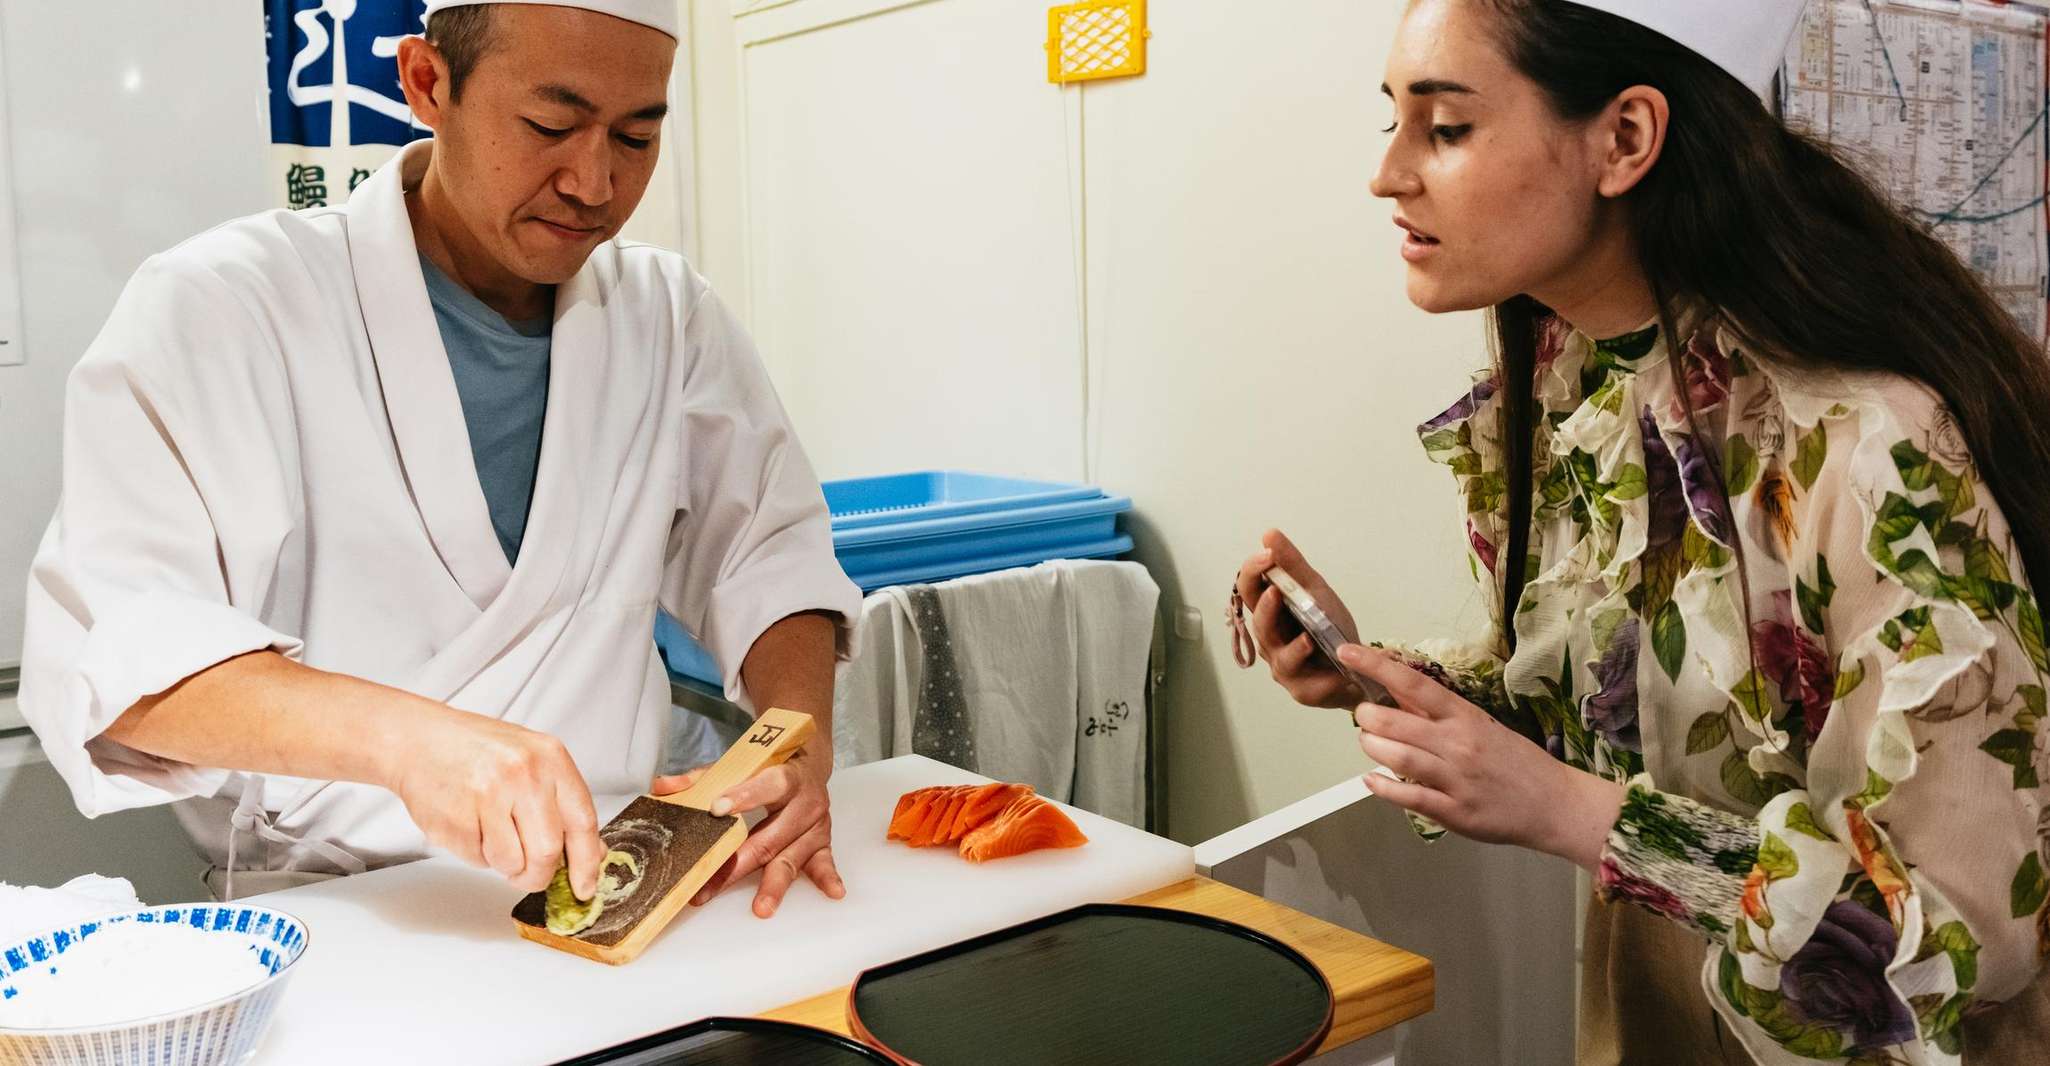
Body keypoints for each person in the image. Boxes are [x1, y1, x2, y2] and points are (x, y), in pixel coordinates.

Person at [1234, 1, 2050, 1061]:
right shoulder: (1578, 391)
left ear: (1625, 138)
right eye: (1390, 120)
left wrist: (1579, 816)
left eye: (1444, 128)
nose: (1387, 174)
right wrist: (1372, 676)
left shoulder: (1871, 446)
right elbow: (1632, 726)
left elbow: (1947, 939)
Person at [19, 0, 860, 920]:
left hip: (617, 889)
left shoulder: (668, 317)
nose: (593, 182)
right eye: (549, 126)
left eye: (635, 137)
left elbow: (770, 557)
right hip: (337, 914)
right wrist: (413, 744)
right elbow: (121, 655)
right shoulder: (226, 305)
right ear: (428, 83)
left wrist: (796, 745)